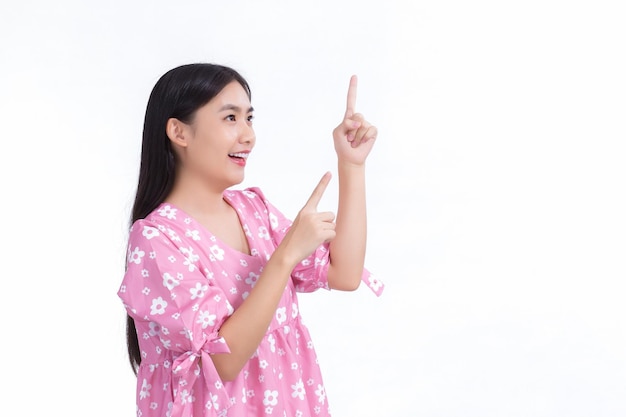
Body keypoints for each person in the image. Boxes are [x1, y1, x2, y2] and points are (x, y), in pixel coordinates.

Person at [117, 63, 384, 417]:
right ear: (179, 132)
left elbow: (345, 274)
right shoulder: (157, 239)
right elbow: (222, 361)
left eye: (249, 118)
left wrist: (352, 165)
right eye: (230, 118)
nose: (248, 135)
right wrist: (286, 256)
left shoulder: (254, 210)